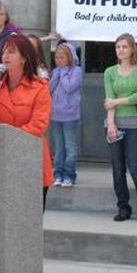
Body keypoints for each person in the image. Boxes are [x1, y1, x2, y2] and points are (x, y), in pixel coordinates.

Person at [0, 35, 53, 208]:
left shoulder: (40, 88)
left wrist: (7, 138)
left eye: (11, 52)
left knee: (28, 222)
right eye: (3, 52)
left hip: (30, 160)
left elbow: (39, 125)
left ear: (24, 58)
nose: (5, 56)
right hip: (0, 162)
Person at [104, 33, 137, 223]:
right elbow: (108, 100)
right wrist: (111, 123)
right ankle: (123, 207)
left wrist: (116, 101)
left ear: (133, 48)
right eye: (118, 47)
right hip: (113, 123)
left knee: (134, 167)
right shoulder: (109, 72)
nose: (121, 50)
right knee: (117, 169)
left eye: (124, 46)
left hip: (133, 124)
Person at [49, 42, 82, 187]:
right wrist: (55, 75)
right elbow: (49, 89)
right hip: (56, 114)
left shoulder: (76, 71)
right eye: (56, 58)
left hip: (70, 115)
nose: (59, 61)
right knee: (59, 148)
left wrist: (62, 73)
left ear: (69, 57)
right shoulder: (56, 71)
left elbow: (69, 88)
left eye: (62, 57)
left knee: (70, 147)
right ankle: (58, 174)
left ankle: (69, 175)